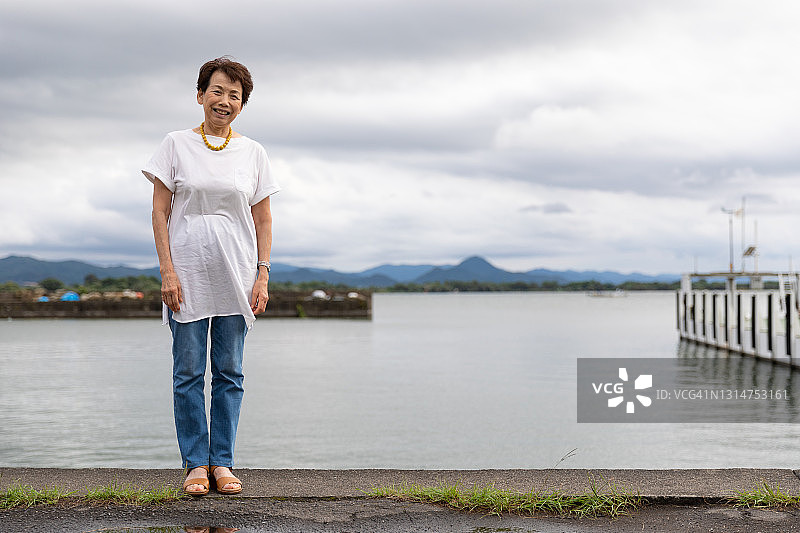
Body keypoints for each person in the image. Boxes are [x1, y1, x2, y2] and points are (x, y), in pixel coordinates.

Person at [143, 57, 280, 495]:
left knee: (229, 372)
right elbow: (159, 212)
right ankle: (194, 466)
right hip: (186, 275)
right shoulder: (175, 144)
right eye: (217, 91)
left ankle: (222, 463)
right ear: (200, 94)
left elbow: (263, 220)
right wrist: (167, 270)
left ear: (243, 105)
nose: (224, 101)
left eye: (234, 95)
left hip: (236, 275)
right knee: (187, 373)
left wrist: (262, 274)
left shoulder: (253, 152)